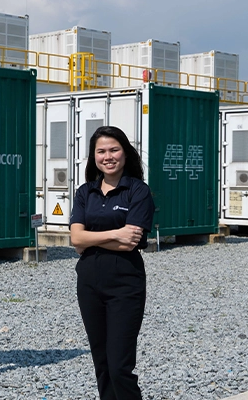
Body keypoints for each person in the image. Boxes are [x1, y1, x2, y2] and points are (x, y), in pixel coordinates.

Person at [69, 126, 154, 400]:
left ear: (125, 154)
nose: (108, 156)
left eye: (114, 150)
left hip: (125, 285)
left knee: (120, 366)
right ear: (94, 156)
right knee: (102, 364)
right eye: (101, 151)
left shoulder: (138, 191)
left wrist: (90, 239)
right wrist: (116, 232)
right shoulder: (86, 192)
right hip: (89, 283)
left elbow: (130, 243)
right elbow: (75, 239)